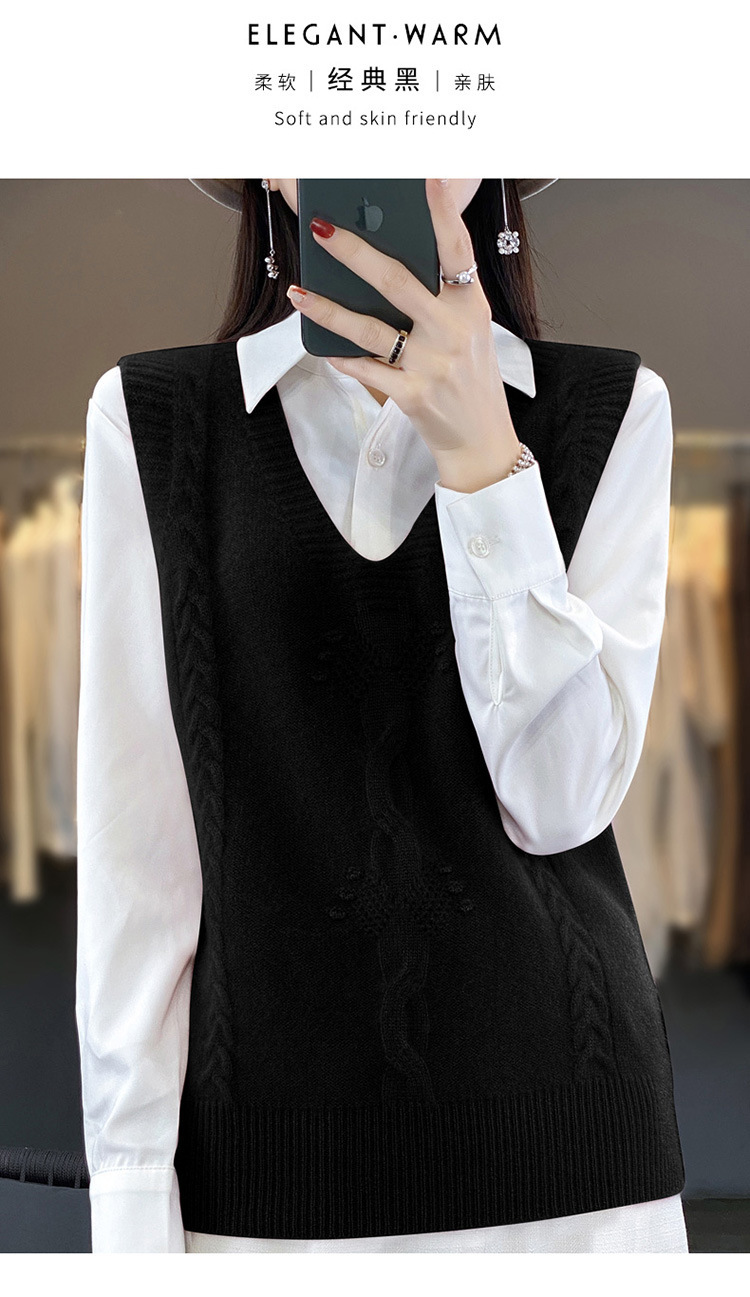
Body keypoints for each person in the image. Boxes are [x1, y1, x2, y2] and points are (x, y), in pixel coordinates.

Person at [75, 178, 689, 1253]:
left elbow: (559, 803)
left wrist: (484, 456)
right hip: (270, 1198)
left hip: (577, 1184)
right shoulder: (152, 420)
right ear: (265, 161)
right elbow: (140, 874)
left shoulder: (613, 407)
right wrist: (130, 1217)